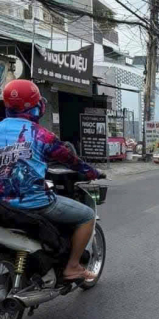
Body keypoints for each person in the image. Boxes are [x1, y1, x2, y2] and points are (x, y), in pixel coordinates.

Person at [0, 80, 104, 281]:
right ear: (35, 106)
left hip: (2, 206)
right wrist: (93, 172)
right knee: (87, 215)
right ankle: (72, 267)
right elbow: (72, 161)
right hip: (33, 205)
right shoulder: (41, 135)